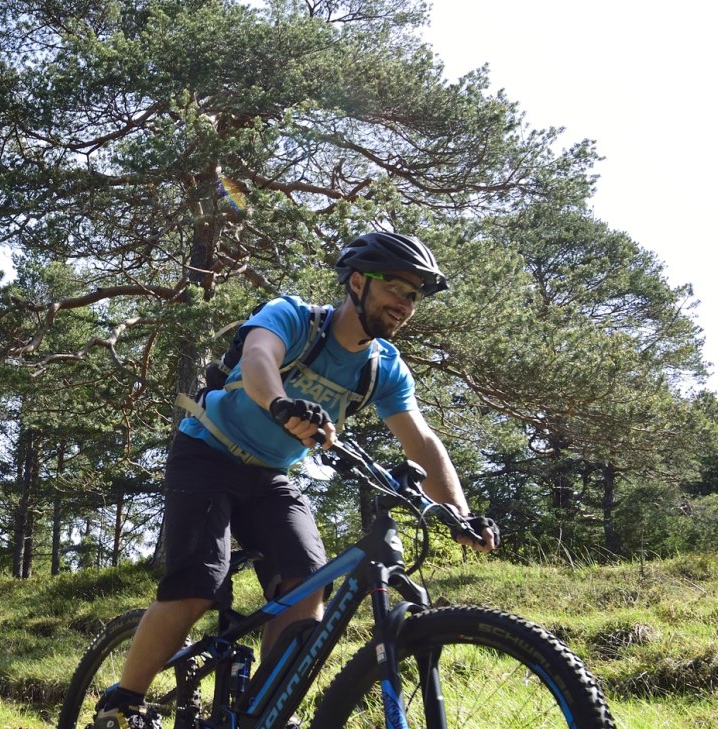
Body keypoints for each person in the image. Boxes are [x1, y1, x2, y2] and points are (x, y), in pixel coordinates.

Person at [91, 232, 501, 729]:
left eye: (413, 295)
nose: (405, 304)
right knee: (198, 582)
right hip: (207, 453)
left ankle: (262, 710)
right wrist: (280, 403)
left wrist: (457, 512)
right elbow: (259, 357)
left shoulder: (384, 370)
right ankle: (123, 701)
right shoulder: (294, 317)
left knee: (310, 585)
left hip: (271, 475)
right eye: (396, 287)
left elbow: (422, 443)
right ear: (357, 282)